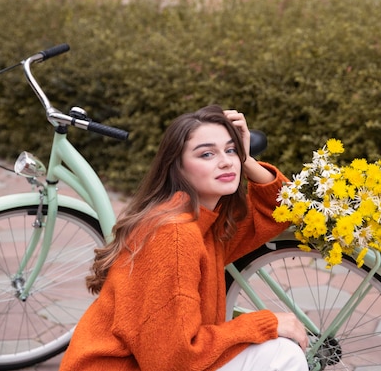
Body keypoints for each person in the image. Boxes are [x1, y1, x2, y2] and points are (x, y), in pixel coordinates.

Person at [59, 105, 309, 371]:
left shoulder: (206, 222)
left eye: (231, 150)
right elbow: (173, 361)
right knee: (283, 353)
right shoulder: (175, 234)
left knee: (278, 350)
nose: (225, 161)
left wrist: (246, 160)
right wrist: (266, 324)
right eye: (207, 154)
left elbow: (280, 209)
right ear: (176, 167)